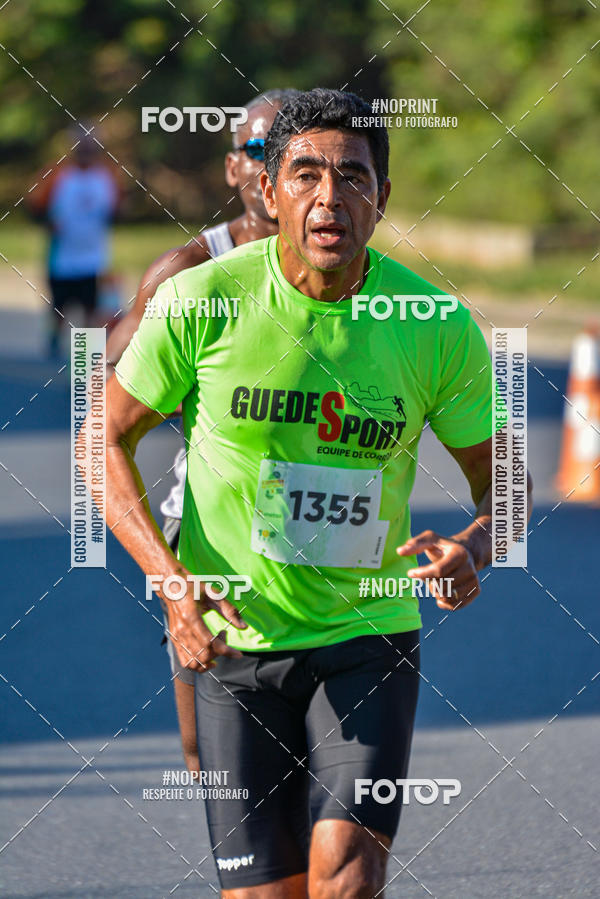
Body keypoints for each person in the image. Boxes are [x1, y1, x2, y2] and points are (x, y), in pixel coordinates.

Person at [101, 88, 532, 897]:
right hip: (235, 642)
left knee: (345, 875)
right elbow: (106, 441)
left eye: (353, 177)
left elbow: (505, 480)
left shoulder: (433, 322)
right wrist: (169, 583)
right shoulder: (204, 299)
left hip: (367, 635)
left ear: (384, 196)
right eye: (305, 175)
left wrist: (475, 545)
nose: (330, 197)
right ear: (269, 191)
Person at [105, 89, 299, 775]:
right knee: (211, 758)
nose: (267, 165)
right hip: (212, 521)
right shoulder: (187, 272)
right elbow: (104, 400)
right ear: (233, 168)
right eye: (255, 150)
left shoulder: (350, 268)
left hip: (328, 522)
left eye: (285, 152)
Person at [29, 133, 120, 357]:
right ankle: (54, 351)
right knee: (60, 307)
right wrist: (48, 223)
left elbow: (118, 210)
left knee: (91, 308)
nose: (86, 152)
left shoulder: (107, 176)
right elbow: (34, 207)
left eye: (91, 147)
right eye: (82, 147)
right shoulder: (58, 174)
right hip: (62, 257)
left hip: (94, 257)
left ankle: (85, 359)